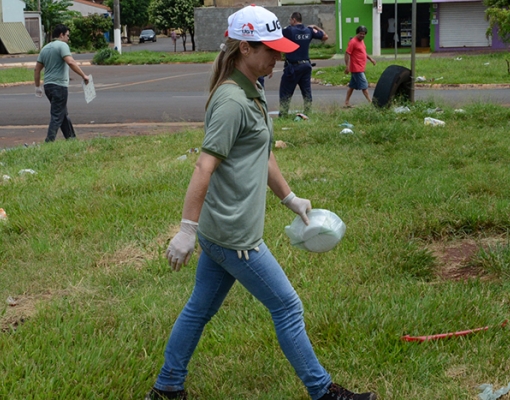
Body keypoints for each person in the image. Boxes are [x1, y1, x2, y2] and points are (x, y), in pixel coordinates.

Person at [145, 5, 377, 400]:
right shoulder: (232, 100)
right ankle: (323, 392)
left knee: (199, 310)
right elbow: (204, 165)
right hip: (235, 236)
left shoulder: (251, 89)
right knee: (287, 307)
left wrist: (290, 198)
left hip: (224, 232)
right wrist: (186, 230)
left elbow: (262, 153)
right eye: (270, 50)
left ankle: (167, 388)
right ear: (245, 48)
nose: (278, 57)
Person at [34, 24, 90, 143]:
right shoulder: (62, 45)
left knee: (62, 113)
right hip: (59, 86)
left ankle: (71, 139)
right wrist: (83, 75)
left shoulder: (45, 48)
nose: (68, 39)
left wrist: (37, 86)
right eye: (67, 36)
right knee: (57, 115)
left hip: (48, 86)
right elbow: (70, 62)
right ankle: (49, 141)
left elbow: (37, 69)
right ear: (61, 35)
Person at [279, 12, 328, 118]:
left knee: (285, 92)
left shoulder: (289, 30)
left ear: (294, 20)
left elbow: (276, 35)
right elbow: (325, 36)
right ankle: (308, 112)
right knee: (306, 92)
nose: (289, 22)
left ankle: (283, 115)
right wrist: (315, 26)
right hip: (306, 66)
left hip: (293, 66)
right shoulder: (309, 30)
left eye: (290, 20)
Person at [344, 26, 376, 108]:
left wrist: (371, 59)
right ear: (357, 33)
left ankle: (346, 102)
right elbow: (347, 53)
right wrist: (347, 66)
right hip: (356, 68)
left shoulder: (362, 41)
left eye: (364, 34)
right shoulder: (353, 42)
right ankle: (371, 102)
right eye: (360, 33)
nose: (362, 35)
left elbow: (363, 52)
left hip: (361, 67)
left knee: (352, 86)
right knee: (364, 86)